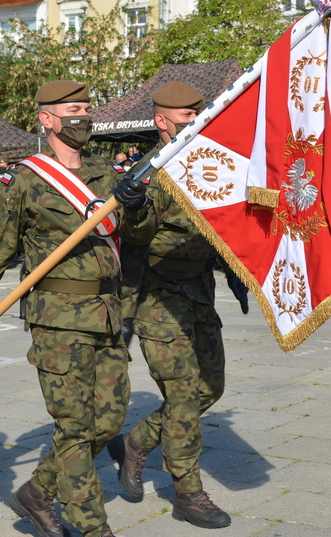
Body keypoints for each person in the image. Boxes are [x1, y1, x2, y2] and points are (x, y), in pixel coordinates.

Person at [0, 80, 129, 537]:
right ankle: (90, 524)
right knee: (75, 425)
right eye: (73, 109)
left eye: (86, 107)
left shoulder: (104, 172)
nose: (84, 116)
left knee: (110, 418)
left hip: (108, 313)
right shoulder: (24, 179)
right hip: (58, 319)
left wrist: (139, 209)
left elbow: (132, 236)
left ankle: (38, 492)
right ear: (47, 119)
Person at [108, 81, 231, 530]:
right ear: (162, 121)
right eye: (186, 117)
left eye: (199, 115)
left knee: (210, 389)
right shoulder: (151, 173)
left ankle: (135, 442)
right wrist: (134, 207)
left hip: (198, 293)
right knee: (181, 395)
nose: (196, 122)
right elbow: (136, 232)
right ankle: (187, 493)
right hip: (157, 300)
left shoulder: (207, 165)